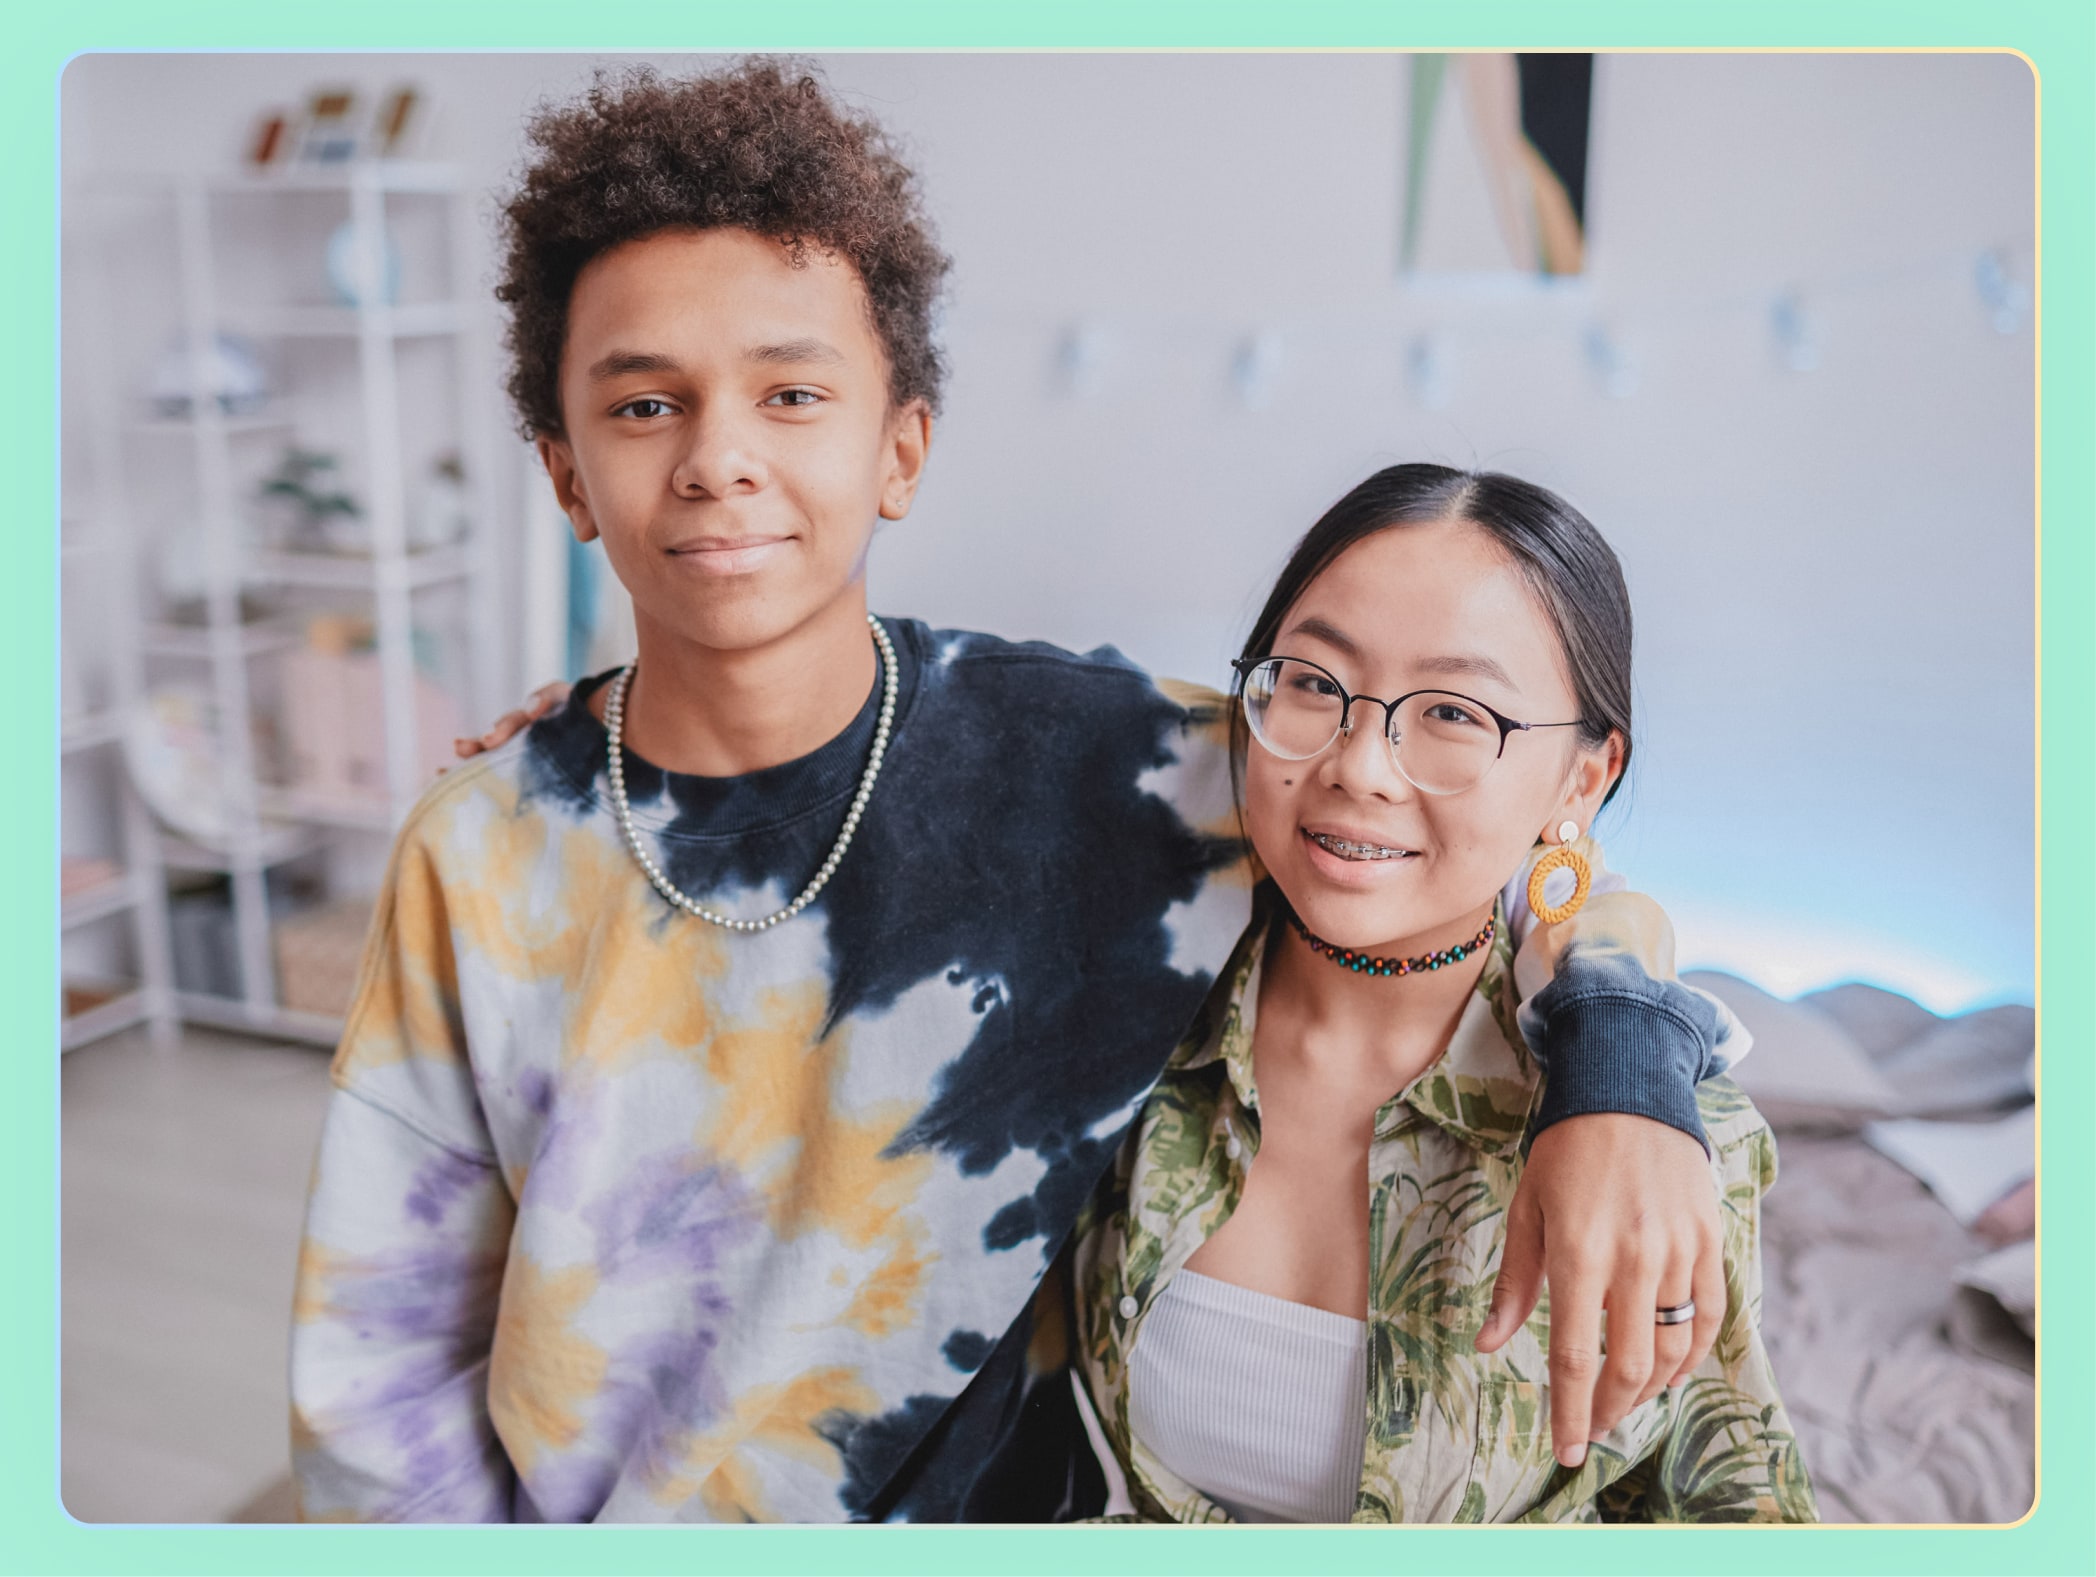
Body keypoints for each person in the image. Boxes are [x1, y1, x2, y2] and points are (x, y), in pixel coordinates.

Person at [291, 60, 1745, 1524]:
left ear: (900, 447)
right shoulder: (479, 851)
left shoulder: (1111, 766)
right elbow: (380, 1375)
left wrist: (1622, 1073)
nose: (718, 459)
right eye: (645, 403)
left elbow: (1470, 837)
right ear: (564, 472)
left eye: (792, 394)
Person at [1073, 464, 1815, 1524]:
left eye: (1454, 712)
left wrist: (1621, 1049)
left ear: (1583, 779)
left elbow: (1734, 1506)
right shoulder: (1131, 1013)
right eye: (1314, 682)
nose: (1360, 766)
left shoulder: (1653, 1135)